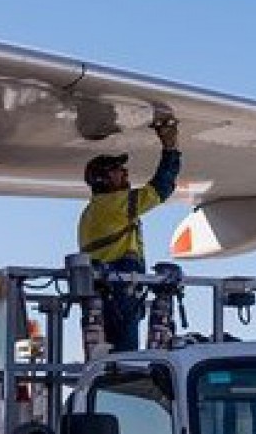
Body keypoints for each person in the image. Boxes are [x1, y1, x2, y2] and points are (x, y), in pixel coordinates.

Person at [77, 116, 181, 351]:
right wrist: (170, 148)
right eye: (117, 170)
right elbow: (161, 188)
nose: (125, 172)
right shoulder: (114, 205)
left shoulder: (92, 211)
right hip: (118, 289)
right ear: (103, 179)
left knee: (108, 357)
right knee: (125, 360)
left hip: (105, 289)